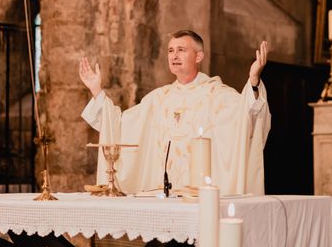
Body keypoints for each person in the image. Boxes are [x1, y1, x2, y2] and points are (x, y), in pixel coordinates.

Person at [79, 29, 271, 196]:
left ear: (198, 56)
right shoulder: (158, 99)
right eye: (171, 51)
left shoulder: (216, 95)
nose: (174, 55)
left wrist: (253, 81)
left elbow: (247, 118)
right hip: (161, 195)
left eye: (181, 50)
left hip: (199, 198)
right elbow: (120, 125)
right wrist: (97, 91)